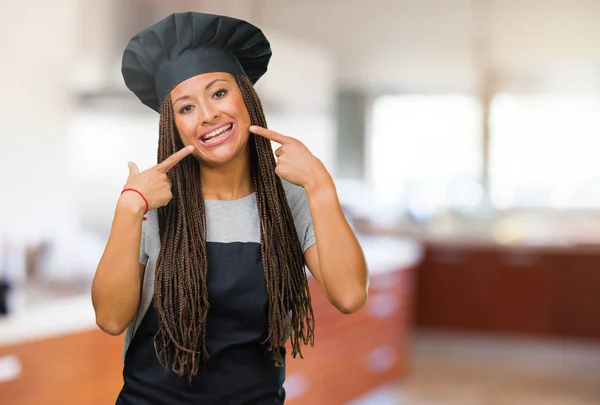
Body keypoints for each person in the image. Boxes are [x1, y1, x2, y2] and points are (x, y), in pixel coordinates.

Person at [91, 11, 368, 405]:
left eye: (218, 93)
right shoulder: (154, 201)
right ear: (175, 126)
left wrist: (321, 187)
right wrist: (128, 210)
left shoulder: (290, 198)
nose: (208, 115)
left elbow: (350, 294)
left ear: (245, 97)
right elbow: (111, 319)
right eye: (186, 108)